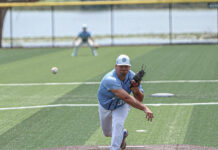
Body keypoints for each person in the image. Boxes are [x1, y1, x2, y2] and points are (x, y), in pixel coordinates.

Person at [97, 54, 154, 150]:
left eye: (126, 66)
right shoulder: (109, 79)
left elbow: (139, 99)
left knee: (117, 124)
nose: (123, 68)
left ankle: (114, 148)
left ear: (129, 67)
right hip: (105, 106)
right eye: (121, 66)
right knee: (107, 133)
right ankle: (122, 134)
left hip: (121, 105)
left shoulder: (132, 77)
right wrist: (144, 108)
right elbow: (126, 97)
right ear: (116, 66)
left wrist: (136, 90)